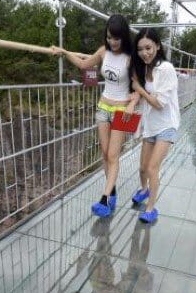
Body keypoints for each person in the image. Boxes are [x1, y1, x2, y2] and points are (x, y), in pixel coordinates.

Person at [51, 14, 138, 218]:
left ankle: (105, 198)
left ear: (124, 37)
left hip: (121, 111)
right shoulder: (103, 51)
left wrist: (132, 103)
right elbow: (84, 65)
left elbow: (137, 86)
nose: (112, 42)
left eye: (116, 38)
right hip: (103, 107)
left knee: (113, 155)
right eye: (109, 37)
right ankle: (112, 189)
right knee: (104, 153)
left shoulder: (131, 58)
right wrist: (64, 52)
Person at [129, 28, 180, 224]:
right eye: (141, 49)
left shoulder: (166, 69)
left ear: (158, 46)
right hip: (150, 124)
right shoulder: (143, 67)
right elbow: (139, 95)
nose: (145, 53)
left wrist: (139, 89)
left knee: (152, 168)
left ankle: (151, 208)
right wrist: (134, 99)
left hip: (166, 124)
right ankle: (144, 190)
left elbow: (160, 103)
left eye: (149, 48)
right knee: (142, 168)